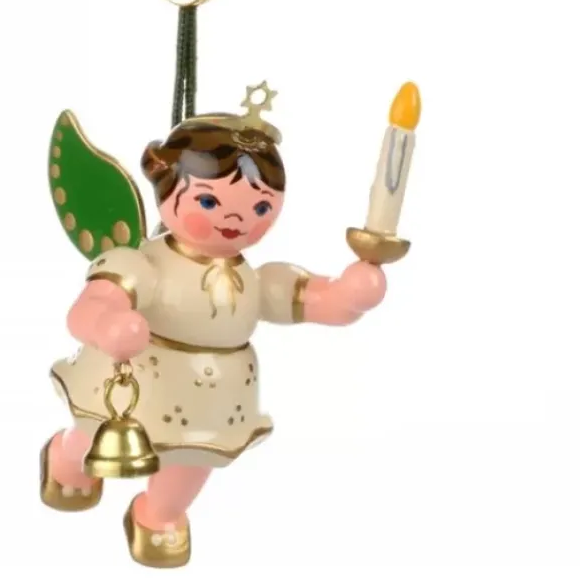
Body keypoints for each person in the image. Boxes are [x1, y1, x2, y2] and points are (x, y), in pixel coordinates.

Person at [41, 86, 387, 568]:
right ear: (165, 186)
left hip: (215, 402)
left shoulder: (253, 279)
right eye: (208, 201)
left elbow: (312, 300)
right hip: (132, 383)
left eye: (260, 208)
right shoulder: (144, 263)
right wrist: (108, 323)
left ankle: (159, 513)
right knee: (92, 437)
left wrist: (350, 296)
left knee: (194, 461)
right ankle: (66, 461)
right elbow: (88, 308)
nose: (235, 219)